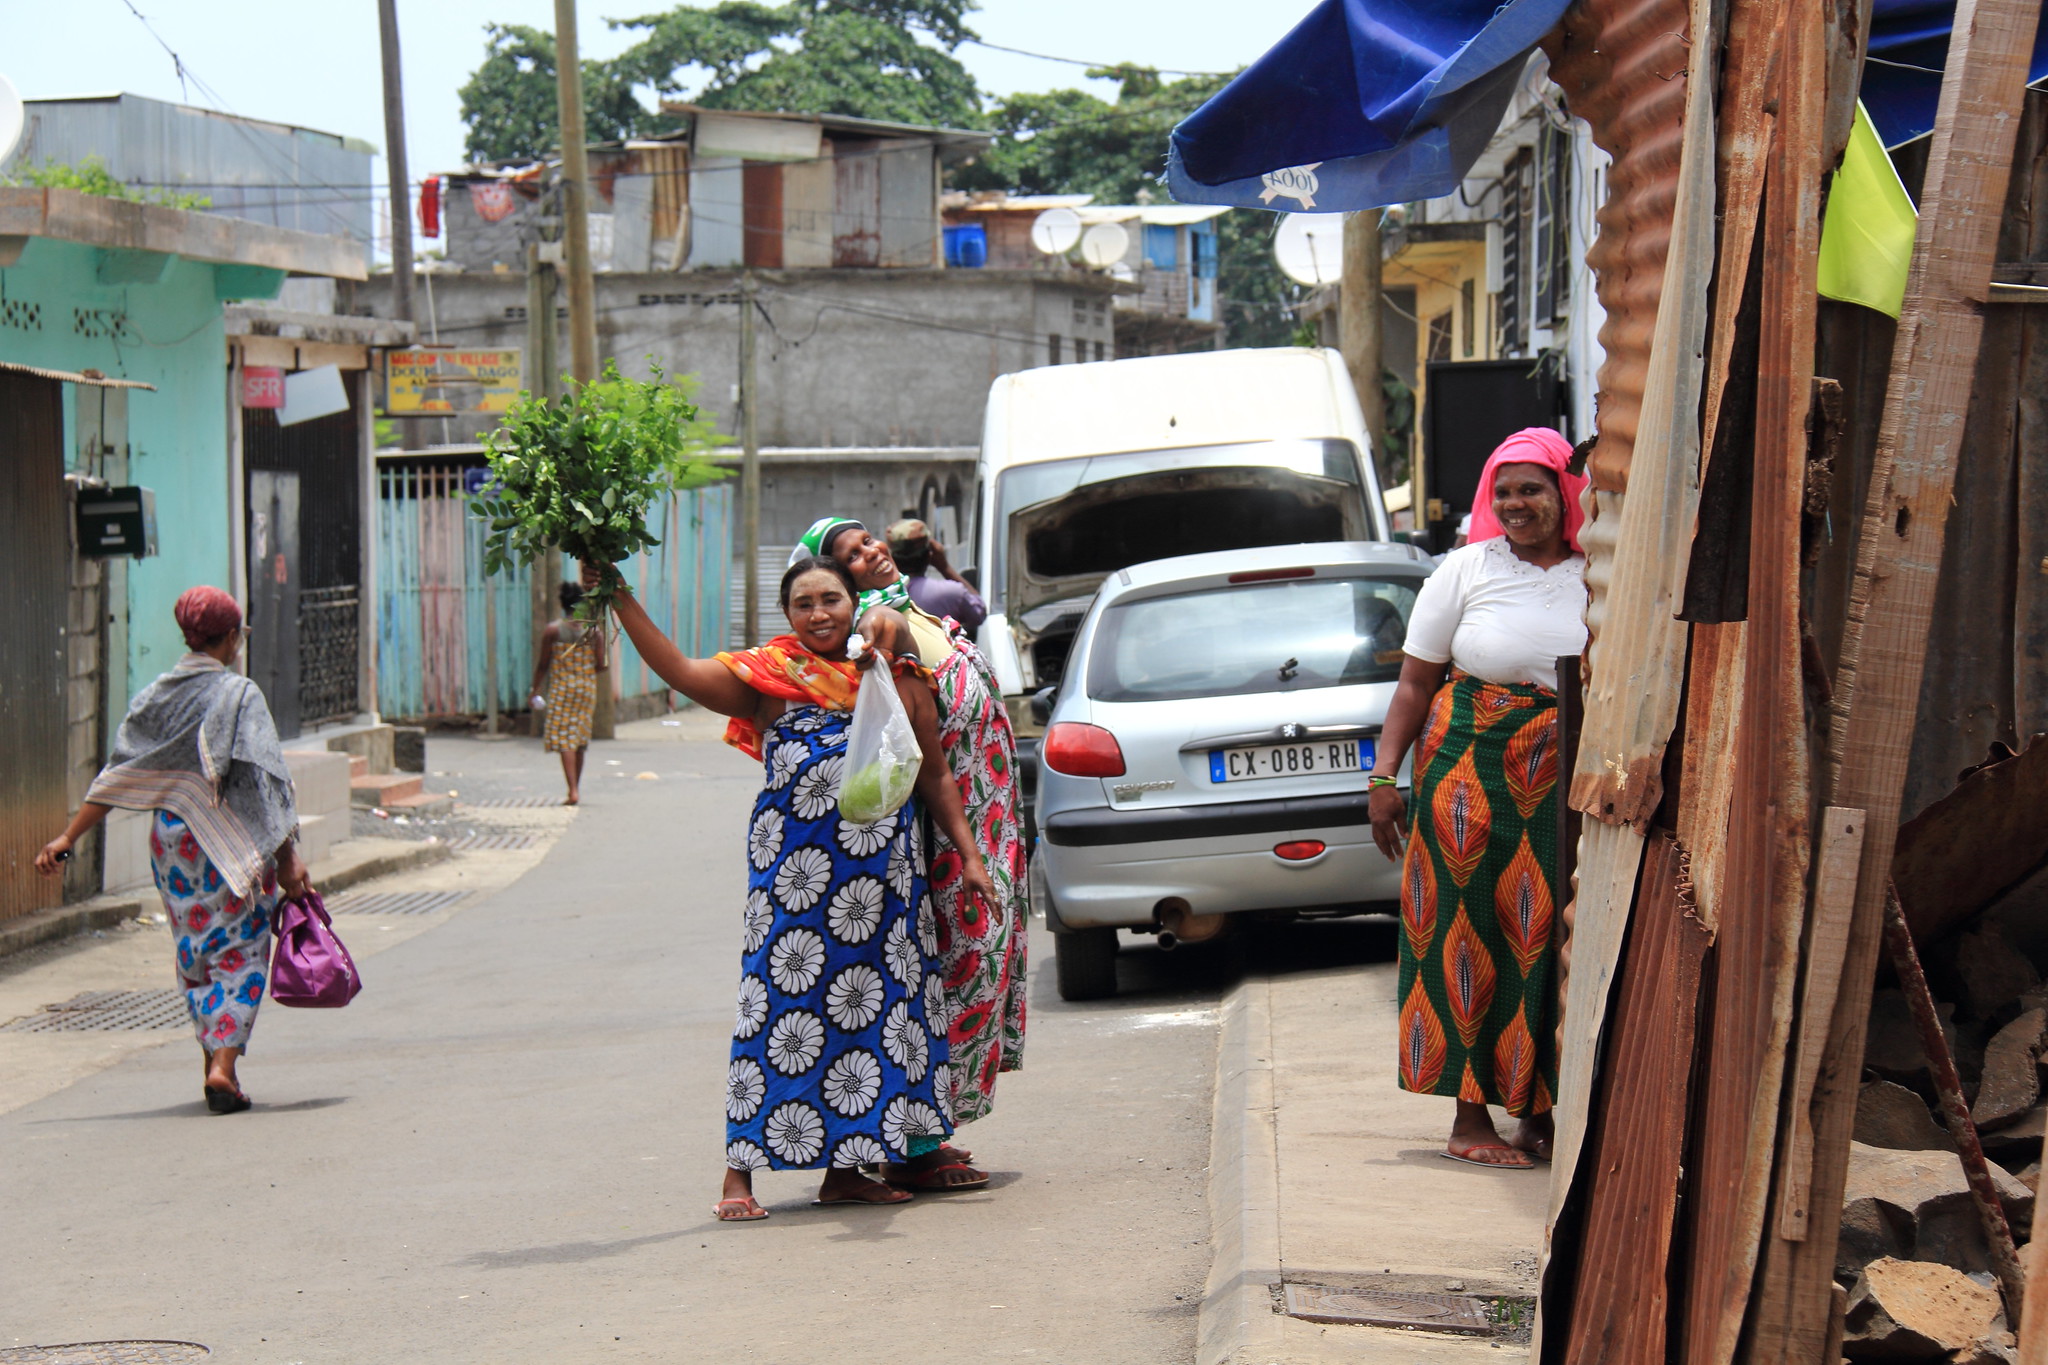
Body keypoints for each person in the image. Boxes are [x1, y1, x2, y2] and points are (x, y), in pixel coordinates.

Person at [585, 554, 999, 1221]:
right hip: (793, 891)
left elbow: (935, 776)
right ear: (787, 614)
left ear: (853, 602)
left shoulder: (897, 677)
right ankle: (737, 1177)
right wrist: (619, 594)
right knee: (777, 1015)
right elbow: (679, 669)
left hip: (887, 889)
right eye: (803, 603)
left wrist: (971, 856)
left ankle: (853, 1168)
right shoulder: (770, 678)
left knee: (882, 1016)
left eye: (830, 598)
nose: (818, 613)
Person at [1365, 429, 1589, 1170]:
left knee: (1550, 935)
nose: (1516, 503)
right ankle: (1470, 1118)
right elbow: (1413, 684)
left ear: (1566, 491)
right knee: (1467, 932)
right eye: (1504, 490)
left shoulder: (1599, 573)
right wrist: (1383, 779)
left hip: (1562, 777)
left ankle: (1539, 1110)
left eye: (1531, 487)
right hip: (1469, 773)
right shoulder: (1465, 570)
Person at [794, 515, 1029, 1188]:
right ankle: (914, 1138)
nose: (870, 553)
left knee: (982, 966)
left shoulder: (916, 608)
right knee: (957, 970)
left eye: (868, 540)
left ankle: (927, 1129)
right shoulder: (876, 622)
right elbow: (910, 727)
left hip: (990, 820)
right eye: (851, 555)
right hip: (944, 833)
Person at [34, 586, 311, 1114]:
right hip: (232, 845)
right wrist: (287, 857)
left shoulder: (156, 694)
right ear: (231, 637)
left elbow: (121, 771)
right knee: (244, 950)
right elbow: (264, 782)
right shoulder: (239, 694)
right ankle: (223, 1066)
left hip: (174, 845)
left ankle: (212, 1061)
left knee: (198, 953)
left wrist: (70, 838)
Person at [530, 581, 606, 806]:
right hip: (586, 689)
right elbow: (601, 665)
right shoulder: (594, 632)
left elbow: (543, 664)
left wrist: (534, 690)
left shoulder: (553, 630)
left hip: (562, 689)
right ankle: (576, 787)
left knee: (565, 739)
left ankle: (572, 789)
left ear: (562, 603)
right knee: (579, 738)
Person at [881, 517, 987, 634]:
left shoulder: (880, 596)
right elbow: (979, 612)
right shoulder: (951, 593)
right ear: (929, 555)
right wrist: (945, 568)